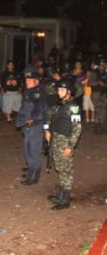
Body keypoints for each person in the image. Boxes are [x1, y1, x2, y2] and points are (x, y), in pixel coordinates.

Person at [45, 80, 82, 210]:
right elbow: (50, 116)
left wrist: (70, 147)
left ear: (68, 92)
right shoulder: (61, 104)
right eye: (58, 90)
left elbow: (77, 128)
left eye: (62, 90)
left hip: (65, 141)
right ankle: (61, 195)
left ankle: (65, 200)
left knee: (66, 171)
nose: (59, 92)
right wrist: (47, 130)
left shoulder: (73, 107)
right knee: (60, 168)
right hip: (56, 139)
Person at [15, 71, 47, 185]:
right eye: (26, 80)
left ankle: (34, 175)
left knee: (33, 150)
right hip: (27, 125)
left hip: (34, 126)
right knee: (28, 148)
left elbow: (41, 108)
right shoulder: (29, 91)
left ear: (36, 81)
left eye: (30, 80)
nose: (27, 82)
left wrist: (32, 119)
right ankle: (31, 169)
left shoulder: (38, 93)